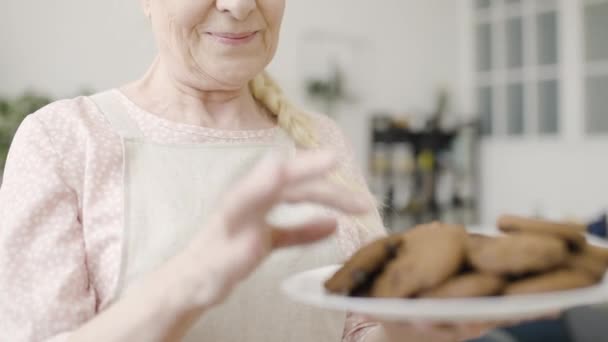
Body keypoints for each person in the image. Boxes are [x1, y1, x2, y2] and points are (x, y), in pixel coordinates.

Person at [0, 1, 497, 341]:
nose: (239, 4)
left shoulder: (320, 141)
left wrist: (418, 329)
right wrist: (195, 277)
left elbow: (361, 328)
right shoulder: (65, 140)